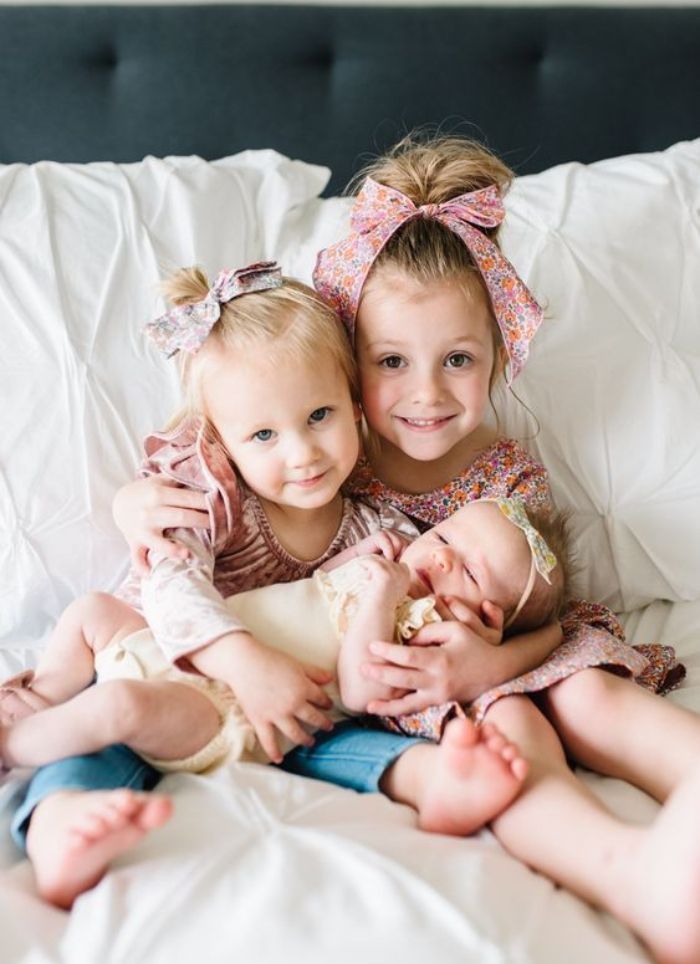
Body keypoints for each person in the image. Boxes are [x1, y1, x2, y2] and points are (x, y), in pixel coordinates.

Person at [100, 134, 700, 963]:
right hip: (412, 679)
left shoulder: (503, 470)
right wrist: (136, 503)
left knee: (588, 698)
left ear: (500, 355)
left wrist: (491, 660)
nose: (426, 394)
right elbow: (219, 448)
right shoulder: (321, 456)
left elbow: (550, 614)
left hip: (514, 647)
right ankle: (624, 869)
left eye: (459, 359)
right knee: (510, 730)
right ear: (347, 369)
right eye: (390, 362)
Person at [1, 498, 568, 818]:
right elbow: (312, 596)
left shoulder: (426, 635)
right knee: (93, 609)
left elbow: (359, 685)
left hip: (224, 709)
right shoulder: (391, 567)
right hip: (197, 648)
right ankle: (41, 695)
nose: (442, 560)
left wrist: (382, 594)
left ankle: (13, 746)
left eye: (468, 572)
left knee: (121, 705)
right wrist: (353, 562)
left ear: (488, 621)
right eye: (444, 536)